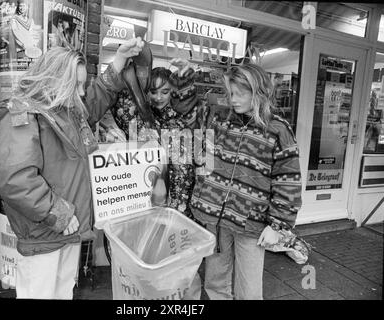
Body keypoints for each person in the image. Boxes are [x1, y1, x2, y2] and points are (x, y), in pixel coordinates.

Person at [0, 38, 144, 299]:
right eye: (77, 85)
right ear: (56, 81)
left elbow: (94, 100)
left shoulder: (66, 110)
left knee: (62, 293)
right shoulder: (25, 115)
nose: (82, 92)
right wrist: (58, 213)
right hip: (47, 232)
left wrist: (119, 60)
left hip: (66, 230)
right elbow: (13, 178)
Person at [186, 63, 302, 299]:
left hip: (251, 223)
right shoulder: (221, 121)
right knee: (215, 282)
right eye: (230, 94)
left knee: (248, 290)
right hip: (215, 217)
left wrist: (278, 225)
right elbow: (203, 157)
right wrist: (201, 197)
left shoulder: (277, 131)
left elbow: (287, 181)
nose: (234, 100)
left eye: (240, 94)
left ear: (258, 92)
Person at [107, 51, 199, 218]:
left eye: (165, 92)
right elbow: (119, 101)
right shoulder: (137, 119)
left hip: (179, 205)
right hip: (144, 203)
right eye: (153, 91)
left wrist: (184, 79)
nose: (158, 97)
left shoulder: (184, 120)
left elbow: (190, 103)